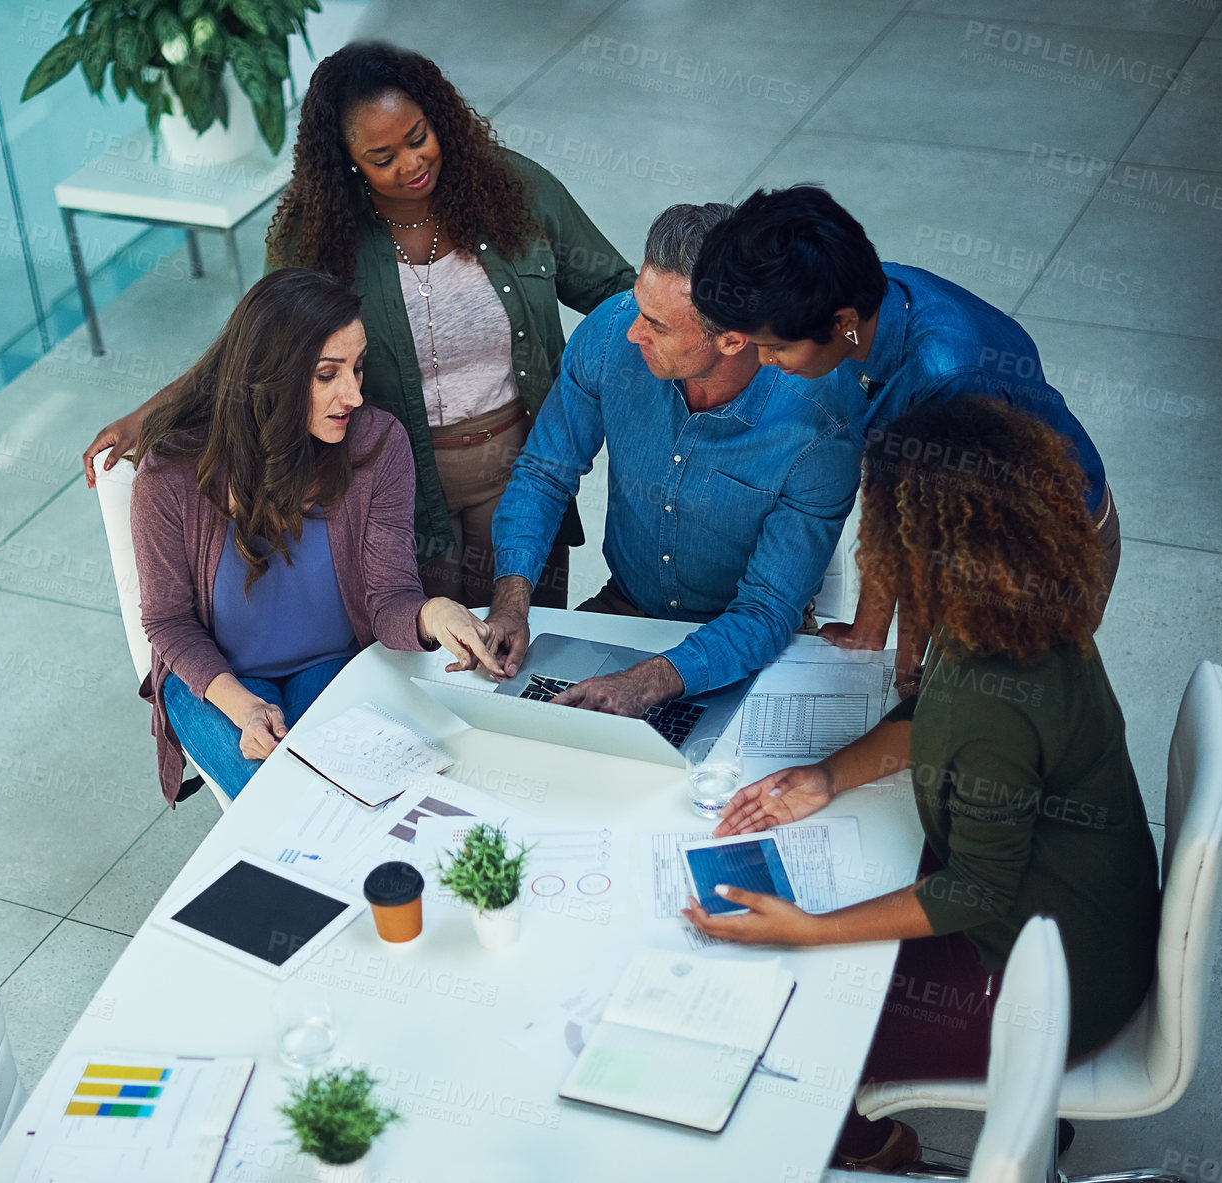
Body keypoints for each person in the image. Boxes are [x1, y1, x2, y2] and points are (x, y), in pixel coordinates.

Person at [682, 398, 1160, 1172]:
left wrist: (808, 928)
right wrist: (828, 774)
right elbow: (927, 710)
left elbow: (972, 892)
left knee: (796, 1034)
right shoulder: (1022, 612)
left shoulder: (991, 702)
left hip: (1048, 983)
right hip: (1085, 923)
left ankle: (872, 1145)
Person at [85, 41, 637, 609]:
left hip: (523, 473)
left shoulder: (515, 190)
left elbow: (619, 297)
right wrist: (148, 415)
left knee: (531, 648)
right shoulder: (317, 233)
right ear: (347, 159)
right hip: (399, 485)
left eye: (419, 137)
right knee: (426, 656)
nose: (412, 163)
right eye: (383, 157)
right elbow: (260, 346)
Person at [690, 184, 1119, 690]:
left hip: (1035, 555)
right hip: (957, 522)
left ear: (842, 323)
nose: (766, 363)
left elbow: (932, 536)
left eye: (777, 348)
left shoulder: (947, 377)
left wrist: (915, 662)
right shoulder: (861, 302)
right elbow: (891, 483)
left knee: (978, 711)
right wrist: (871, 630)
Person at [130, 268, 501, 803]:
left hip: (332, 663)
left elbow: (388, 598)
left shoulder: (378, 447)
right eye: (328, 374)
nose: (353, 394)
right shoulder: (170, 477)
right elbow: (167, 622)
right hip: (217, 680)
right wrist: (244, 707)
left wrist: (432, 614)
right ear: (270, 375)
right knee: (288, 800)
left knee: (375, 789)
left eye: (357, 368)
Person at [480, 203, 861, 716]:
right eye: (639, 306)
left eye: (656, 325)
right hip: (623, 608)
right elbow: (545, 473)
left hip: (745, 641)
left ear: (731, 339)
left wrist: (649, 681)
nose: (634, 331)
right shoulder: (611, 334)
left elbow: (767, 610)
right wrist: (510, 601)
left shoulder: (822, 428)